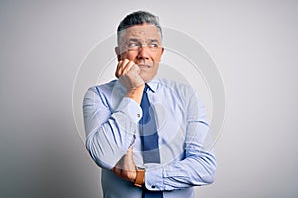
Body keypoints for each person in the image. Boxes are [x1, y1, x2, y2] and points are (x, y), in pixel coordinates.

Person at [83, 11, 216, 198]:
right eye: (133, 44)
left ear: (160, 53)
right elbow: (104, 155)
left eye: (152, 45)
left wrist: (141, 177)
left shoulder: (187, 96)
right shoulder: (98, 96)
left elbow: (206, 167)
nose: (143, 54)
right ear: (118, 53)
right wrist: (134, 91)